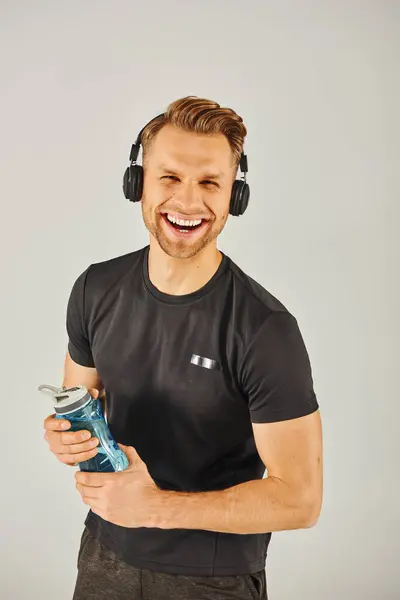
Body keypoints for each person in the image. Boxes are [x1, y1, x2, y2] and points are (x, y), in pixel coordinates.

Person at [43, 96, 323, 600]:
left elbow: (300, 499)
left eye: (210, 183)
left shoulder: (265, 330)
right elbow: (80, 399)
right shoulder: (95, 290)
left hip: (211, 579)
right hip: (103, 557)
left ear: (235, 196)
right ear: (138, 184)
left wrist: (156, 508)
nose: (189, 202)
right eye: (169, 178)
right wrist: (68, 437)